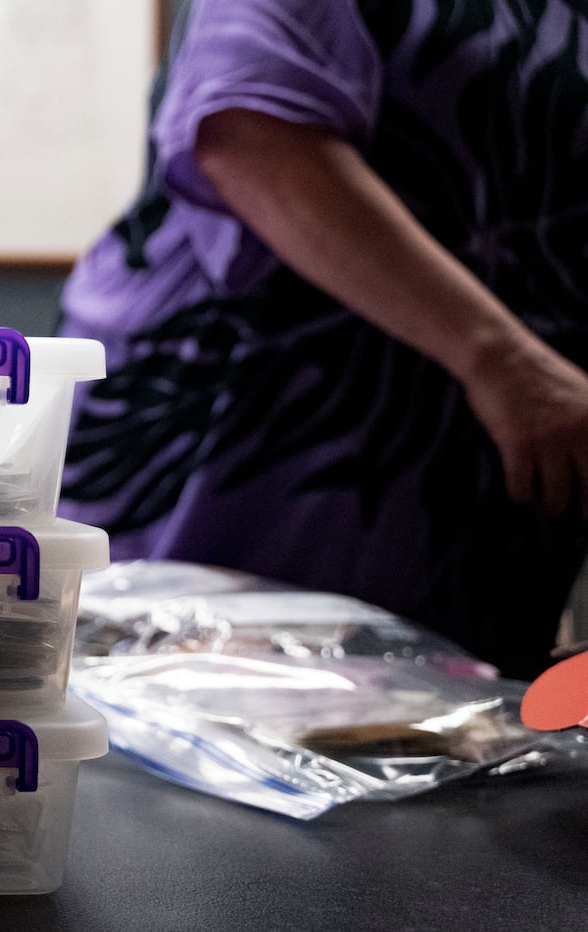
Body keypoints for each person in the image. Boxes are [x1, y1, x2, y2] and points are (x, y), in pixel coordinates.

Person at [54, 0, 588, 680]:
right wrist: (511, 366)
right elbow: (249, 137)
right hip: (255, 442)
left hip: (474, 507)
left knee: (454, 752)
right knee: (191, 732)